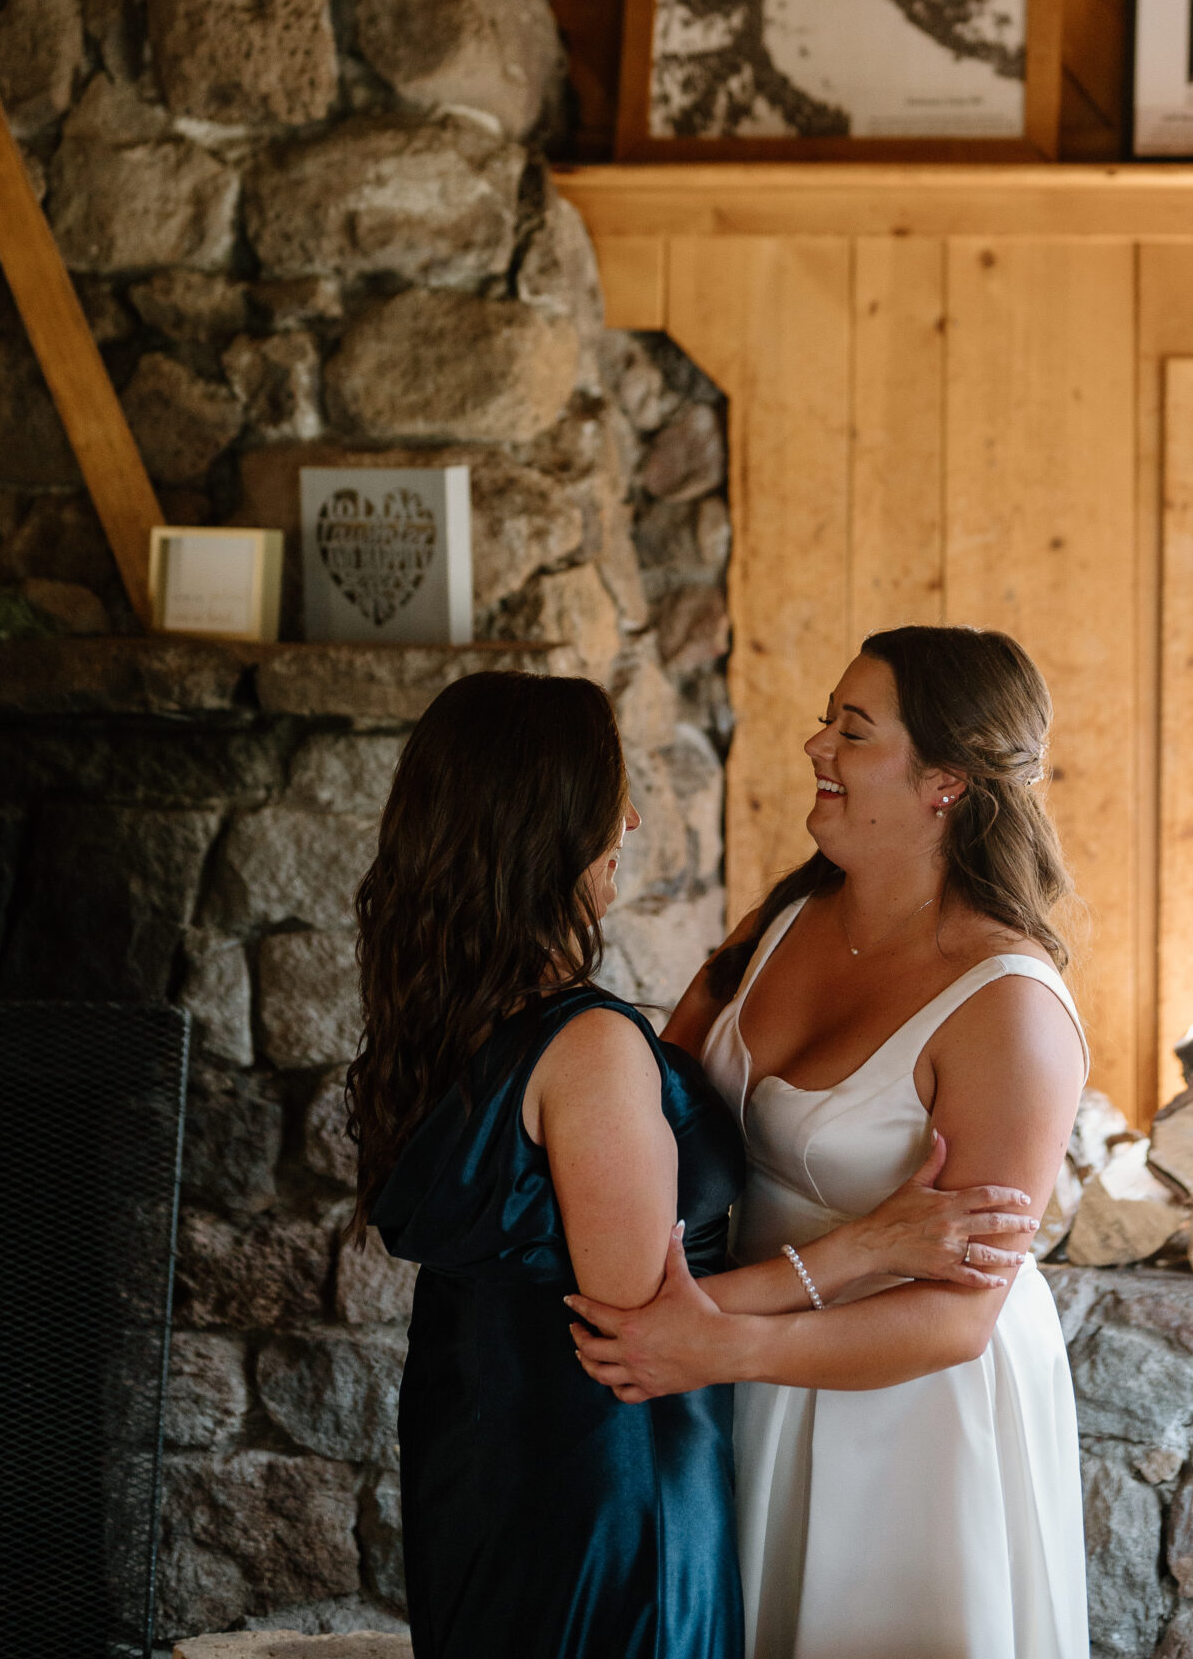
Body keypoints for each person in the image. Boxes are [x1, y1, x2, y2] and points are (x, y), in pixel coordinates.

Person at [351, 670, 1035, 1659]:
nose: (627, 819)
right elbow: (646, 1323)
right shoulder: (584, 1048)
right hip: (604, 1478)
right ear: (542, 825)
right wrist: (862, 1248)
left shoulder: (439, 1019)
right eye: (606, 797)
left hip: (473, 1443)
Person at [571, 625, 1089, 1659]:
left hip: (905, 1422)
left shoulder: (1009, 1007)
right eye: (824, 720)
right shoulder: (781, 919)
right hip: (735, 1362)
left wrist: (734, 1343)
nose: (815, 746)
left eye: (852, 730)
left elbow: (960, 1318)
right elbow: (655, 1101)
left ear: (944, 779)